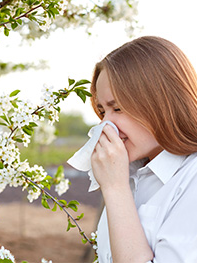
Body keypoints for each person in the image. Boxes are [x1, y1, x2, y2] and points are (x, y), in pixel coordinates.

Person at [90, 36, 197, 263]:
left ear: (162, 101)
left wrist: (116, 189)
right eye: (102, 111)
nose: (105, 125)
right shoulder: (131, 173)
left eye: (117, 108)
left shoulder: (191, 178)